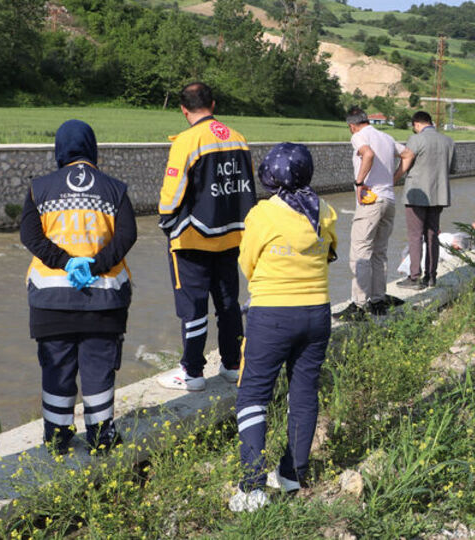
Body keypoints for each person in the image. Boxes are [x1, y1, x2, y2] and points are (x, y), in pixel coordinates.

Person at [229, 143, 338, 513]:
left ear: (271, 175)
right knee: (304, 392)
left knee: (253, 395)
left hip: (272, 314)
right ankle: (292, 474)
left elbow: (247, 263)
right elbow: (330, 251)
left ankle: (252, 487)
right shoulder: (324, 209)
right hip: (317, 313)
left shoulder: (263, 213)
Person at [19, 119, 137, 455]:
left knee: (57, 371)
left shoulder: (39, 189)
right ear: (92, 148)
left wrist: (64, 261)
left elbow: (30, 236)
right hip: (104, 300)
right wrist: (93, 265)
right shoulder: (115, 189)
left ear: (59, 150)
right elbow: (127, 236)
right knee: (99, 370)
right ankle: (101, 439)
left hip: (50, 299)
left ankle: (57, 441)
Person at [156, 82, 256, 391]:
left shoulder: (187, 141)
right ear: (213, 104)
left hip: (193, 239)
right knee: (228, 304)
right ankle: (231, 365)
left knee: (193, 306)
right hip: (231, 237)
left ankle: (193, 373)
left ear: (183, 109)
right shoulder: (239, 139)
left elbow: (171, 195)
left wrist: (166, 222)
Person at [335, 106, 406, 320]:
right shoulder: (385, 136)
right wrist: (394, 179)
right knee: (379, 252)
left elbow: (368, 154)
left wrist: (359, 182)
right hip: (389, 200)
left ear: (352, 125)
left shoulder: (359, 136)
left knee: (360, 252)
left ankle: (358, 305)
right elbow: (408, 154)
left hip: (371, 201)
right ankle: (377, 300)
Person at [394, 111, 455, 290]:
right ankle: (431, 276)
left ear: (417, 124)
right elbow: (452, 169)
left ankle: (414, 277)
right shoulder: (449, 142)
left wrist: (393, 179)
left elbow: (406, 161)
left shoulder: (416, 139)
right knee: (432, 235)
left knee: (415, 235)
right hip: (439, 195)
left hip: (417, 195)